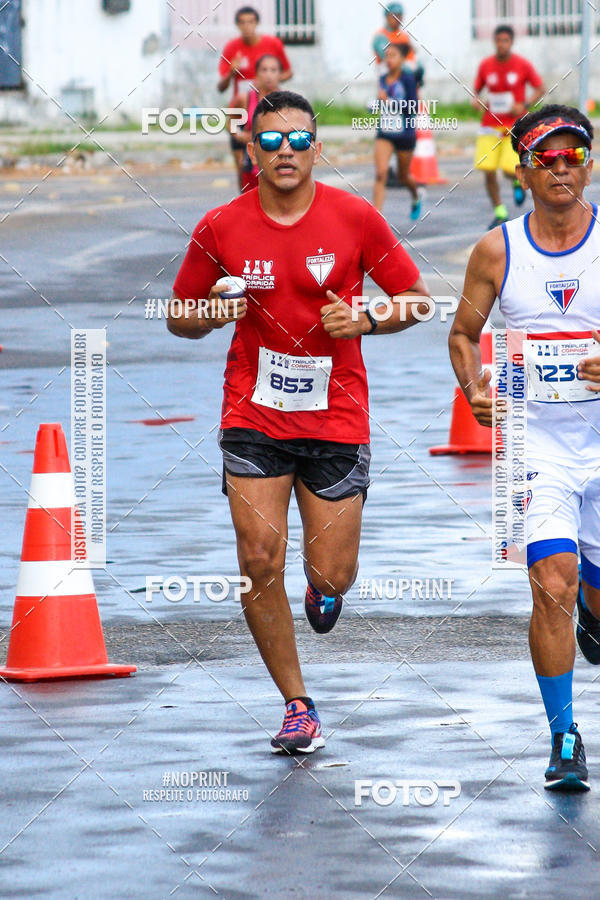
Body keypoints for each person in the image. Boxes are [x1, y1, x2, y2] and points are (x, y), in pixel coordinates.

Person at [167, 90, 429, 755]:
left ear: (317, 148)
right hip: (253, 412)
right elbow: (178, 313)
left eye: (300, 140)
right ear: (251, 149)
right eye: (272, 141)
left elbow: (417, 300)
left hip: (335, 415)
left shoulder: (356, 217)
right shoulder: (220, 225)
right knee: (258, 559)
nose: (286, 152)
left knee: (332, 572)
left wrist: (367, 319)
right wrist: (211, 315)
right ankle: (296, 704)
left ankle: (323, 590)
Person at [449, 104, 600, 791]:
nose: (562, 168)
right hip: (534, 443)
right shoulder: (497, 250)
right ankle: (564, 736)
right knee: (551, 582)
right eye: (547, 157)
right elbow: (461, 334)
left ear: (588, 167)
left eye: (574, 156)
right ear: (523, 170)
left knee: (589, 592)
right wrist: (475, 388)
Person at [472, 24, 545, 230]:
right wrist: (477, 101)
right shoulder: (486, 65)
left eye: (505, 41)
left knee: (508, 169)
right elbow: (475, 92)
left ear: (511, 42)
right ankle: (500, 212)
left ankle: (516, 181)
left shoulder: (522, 64)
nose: (501, 44)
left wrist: (524, 104)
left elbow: (540, 88)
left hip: (515, 126)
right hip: (490, 125)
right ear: (494, 42)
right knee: (487, 169)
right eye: (498, 40)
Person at [217, 6, 292, 188]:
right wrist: (231, 72)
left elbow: (288, 72)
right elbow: (221, 87)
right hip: (245, 113)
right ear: (237, 25)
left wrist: (269, 81)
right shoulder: (232, 48)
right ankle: (245, 197)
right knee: (243, 169)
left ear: (257, 23)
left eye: (250, 22)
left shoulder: (272, 44)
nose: (247, 26)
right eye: (243, 22)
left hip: (268, 112)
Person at [373, 43, 421, 219]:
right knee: (381, 173)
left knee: (403, 176)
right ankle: (377, 218)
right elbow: (381, 102)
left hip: (405, 133)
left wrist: (389, 101)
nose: (389, 59)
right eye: (387, 55)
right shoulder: (382, 79)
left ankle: (416, 196)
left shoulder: (408, 80)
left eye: (393, 55)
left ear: (402, 59)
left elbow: (413, 106)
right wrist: (374, 104)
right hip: (385, 132)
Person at [234, 54, 283, 193]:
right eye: (264, 70)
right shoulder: (245, 98)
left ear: (280, 74)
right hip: (252, 164)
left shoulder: (289, 101)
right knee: (249, 202)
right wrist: (239, 135)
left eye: (273, 70)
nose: (269, 75)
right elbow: (231, 120)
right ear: (257, 74)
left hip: (280, 163)